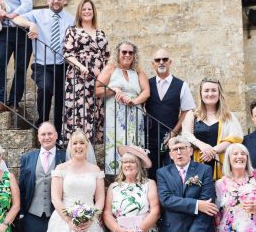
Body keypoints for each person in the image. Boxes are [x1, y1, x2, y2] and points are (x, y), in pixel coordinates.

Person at [13, 0, 74, 131]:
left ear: (64, 1)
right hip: (42, 64)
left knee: (60, 99)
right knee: (45, 88)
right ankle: (43, 122)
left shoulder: (71, 19)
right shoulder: (37, 14)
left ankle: (59, 132)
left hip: (62, 65)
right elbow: (15, 19)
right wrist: (31, 25)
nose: (56, 1)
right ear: (48, 0)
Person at [18, 122, 66, 232]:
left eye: (50, 134)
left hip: (58, 219)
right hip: (32, 218)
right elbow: (22, 187)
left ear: (56, 136)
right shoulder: (27, 158)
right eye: (43, 134)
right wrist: (22, 214)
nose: (46, 137)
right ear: (38, 137)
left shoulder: (65, 157)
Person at [96, 40, 150, 175]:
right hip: (115, 115)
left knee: (134, 142)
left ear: (134, 55)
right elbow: (97, 91)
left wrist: (134, 101)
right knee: (116, 143)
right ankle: (115, 176)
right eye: (124, 52)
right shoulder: (111, 69)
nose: (127, 55)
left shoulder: (138, 72)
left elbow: (146, 92)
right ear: (118, 53)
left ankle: (136, 174)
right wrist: (113, 89)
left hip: (134, 115)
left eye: (130, 52)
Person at [61, 0, 110, 146]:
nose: (87, 12)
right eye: (84, 9)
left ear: (93, 12)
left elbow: (107, 56)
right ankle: (79, 144)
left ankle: (95, 144)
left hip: (99, 77)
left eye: (89, 9)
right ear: (79, 13)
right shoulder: (73, 30)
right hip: (79, 77)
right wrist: (80, 66)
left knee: (96, 109)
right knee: (80, 110)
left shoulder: (100, 32)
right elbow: (67, 53)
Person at [144, 48, 195, 177]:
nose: (161, 62)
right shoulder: (146, 84)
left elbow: (186, 111)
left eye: (164, 59)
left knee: (172, 173)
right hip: (150, 138)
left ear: (170, 62)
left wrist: (174, 133)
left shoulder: (181, 85)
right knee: (152, 173)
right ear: (153, 64)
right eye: (157, 60)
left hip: (172, 139)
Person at [182, 76, 242, 180]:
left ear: (219, 94)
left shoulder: (228, 116)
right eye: (206, 90)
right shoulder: (192, 115)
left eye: (214, 90)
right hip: (197, 162)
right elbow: (186, 136)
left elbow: (235, 138)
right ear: (201, 94)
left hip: (222, 164)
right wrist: (202, 145)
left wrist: (212, 151)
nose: (210, 94)